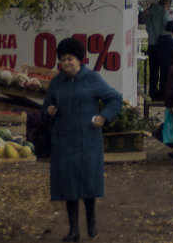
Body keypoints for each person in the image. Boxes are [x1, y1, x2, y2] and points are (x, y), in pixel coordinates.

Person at [42, 37, 122, 241]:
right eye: (63, 59)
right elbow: (45, 108)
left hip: (87, 140)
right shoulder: (57, 82)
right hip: (63, 140)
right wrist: (49, 111)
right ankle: (74, 230)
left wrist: (104, 117)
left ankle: (91, 219)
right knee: (68, 186)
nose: (66, 63)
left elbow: (115, 98)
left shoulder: (92, 79)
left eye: (70, 58)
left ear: (79, 59)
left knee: (87, 183)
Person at [144, 0, 173, 100]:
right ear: (167, 3)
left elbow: (147, 29)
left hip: (151, 44)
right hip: (162, 44)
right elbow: (168, 26)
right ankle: (162, 93)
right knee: (164, 70)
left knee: (153, 70)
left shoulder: (149, 13)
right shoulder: (163, 12)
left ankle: (152, 92)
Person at [153, 21, 173, 101]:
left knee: (162, 79)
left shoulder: (159, 38)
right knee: (169, 81)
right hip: (170, 64)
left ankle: (161, 95)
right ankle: (168, 96)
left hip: (160, 63)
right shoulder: (172, 41)